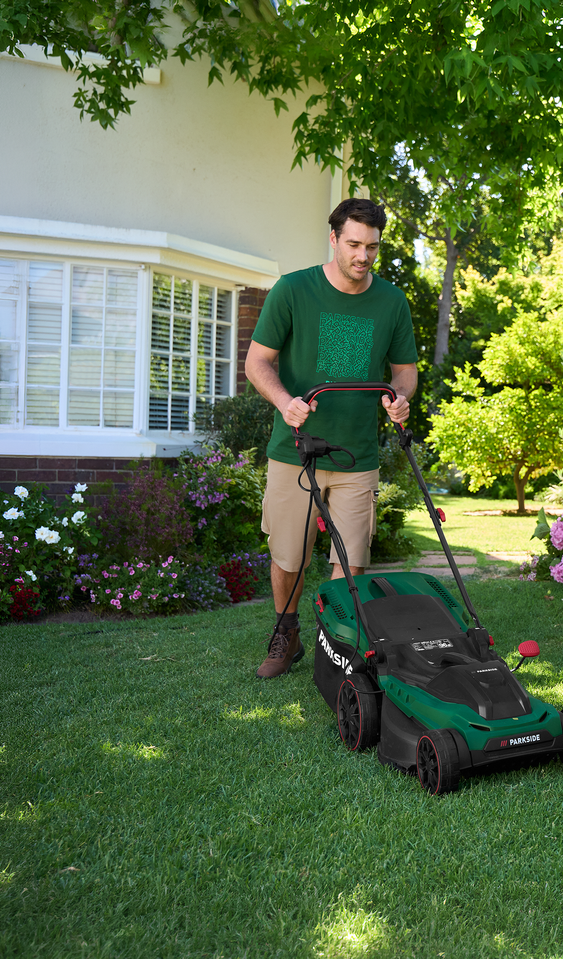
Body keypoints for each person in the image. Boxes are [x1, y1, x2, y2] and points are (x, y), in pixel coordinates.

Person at [245, 198, 418, 679]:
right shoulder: (294, 290)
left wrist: (399, 399)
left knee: (352, 562)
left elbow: (405, 373)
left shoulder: (391, 301)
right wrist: (285, 402)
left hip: (356, 454)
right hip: (294, 452)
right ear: (334, 239)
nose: (363, 256)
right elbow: (257, 362)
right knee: (288, 557)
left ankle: (337, 646)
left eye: (373, 247)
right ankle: (286, 632)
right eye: (355, 244)